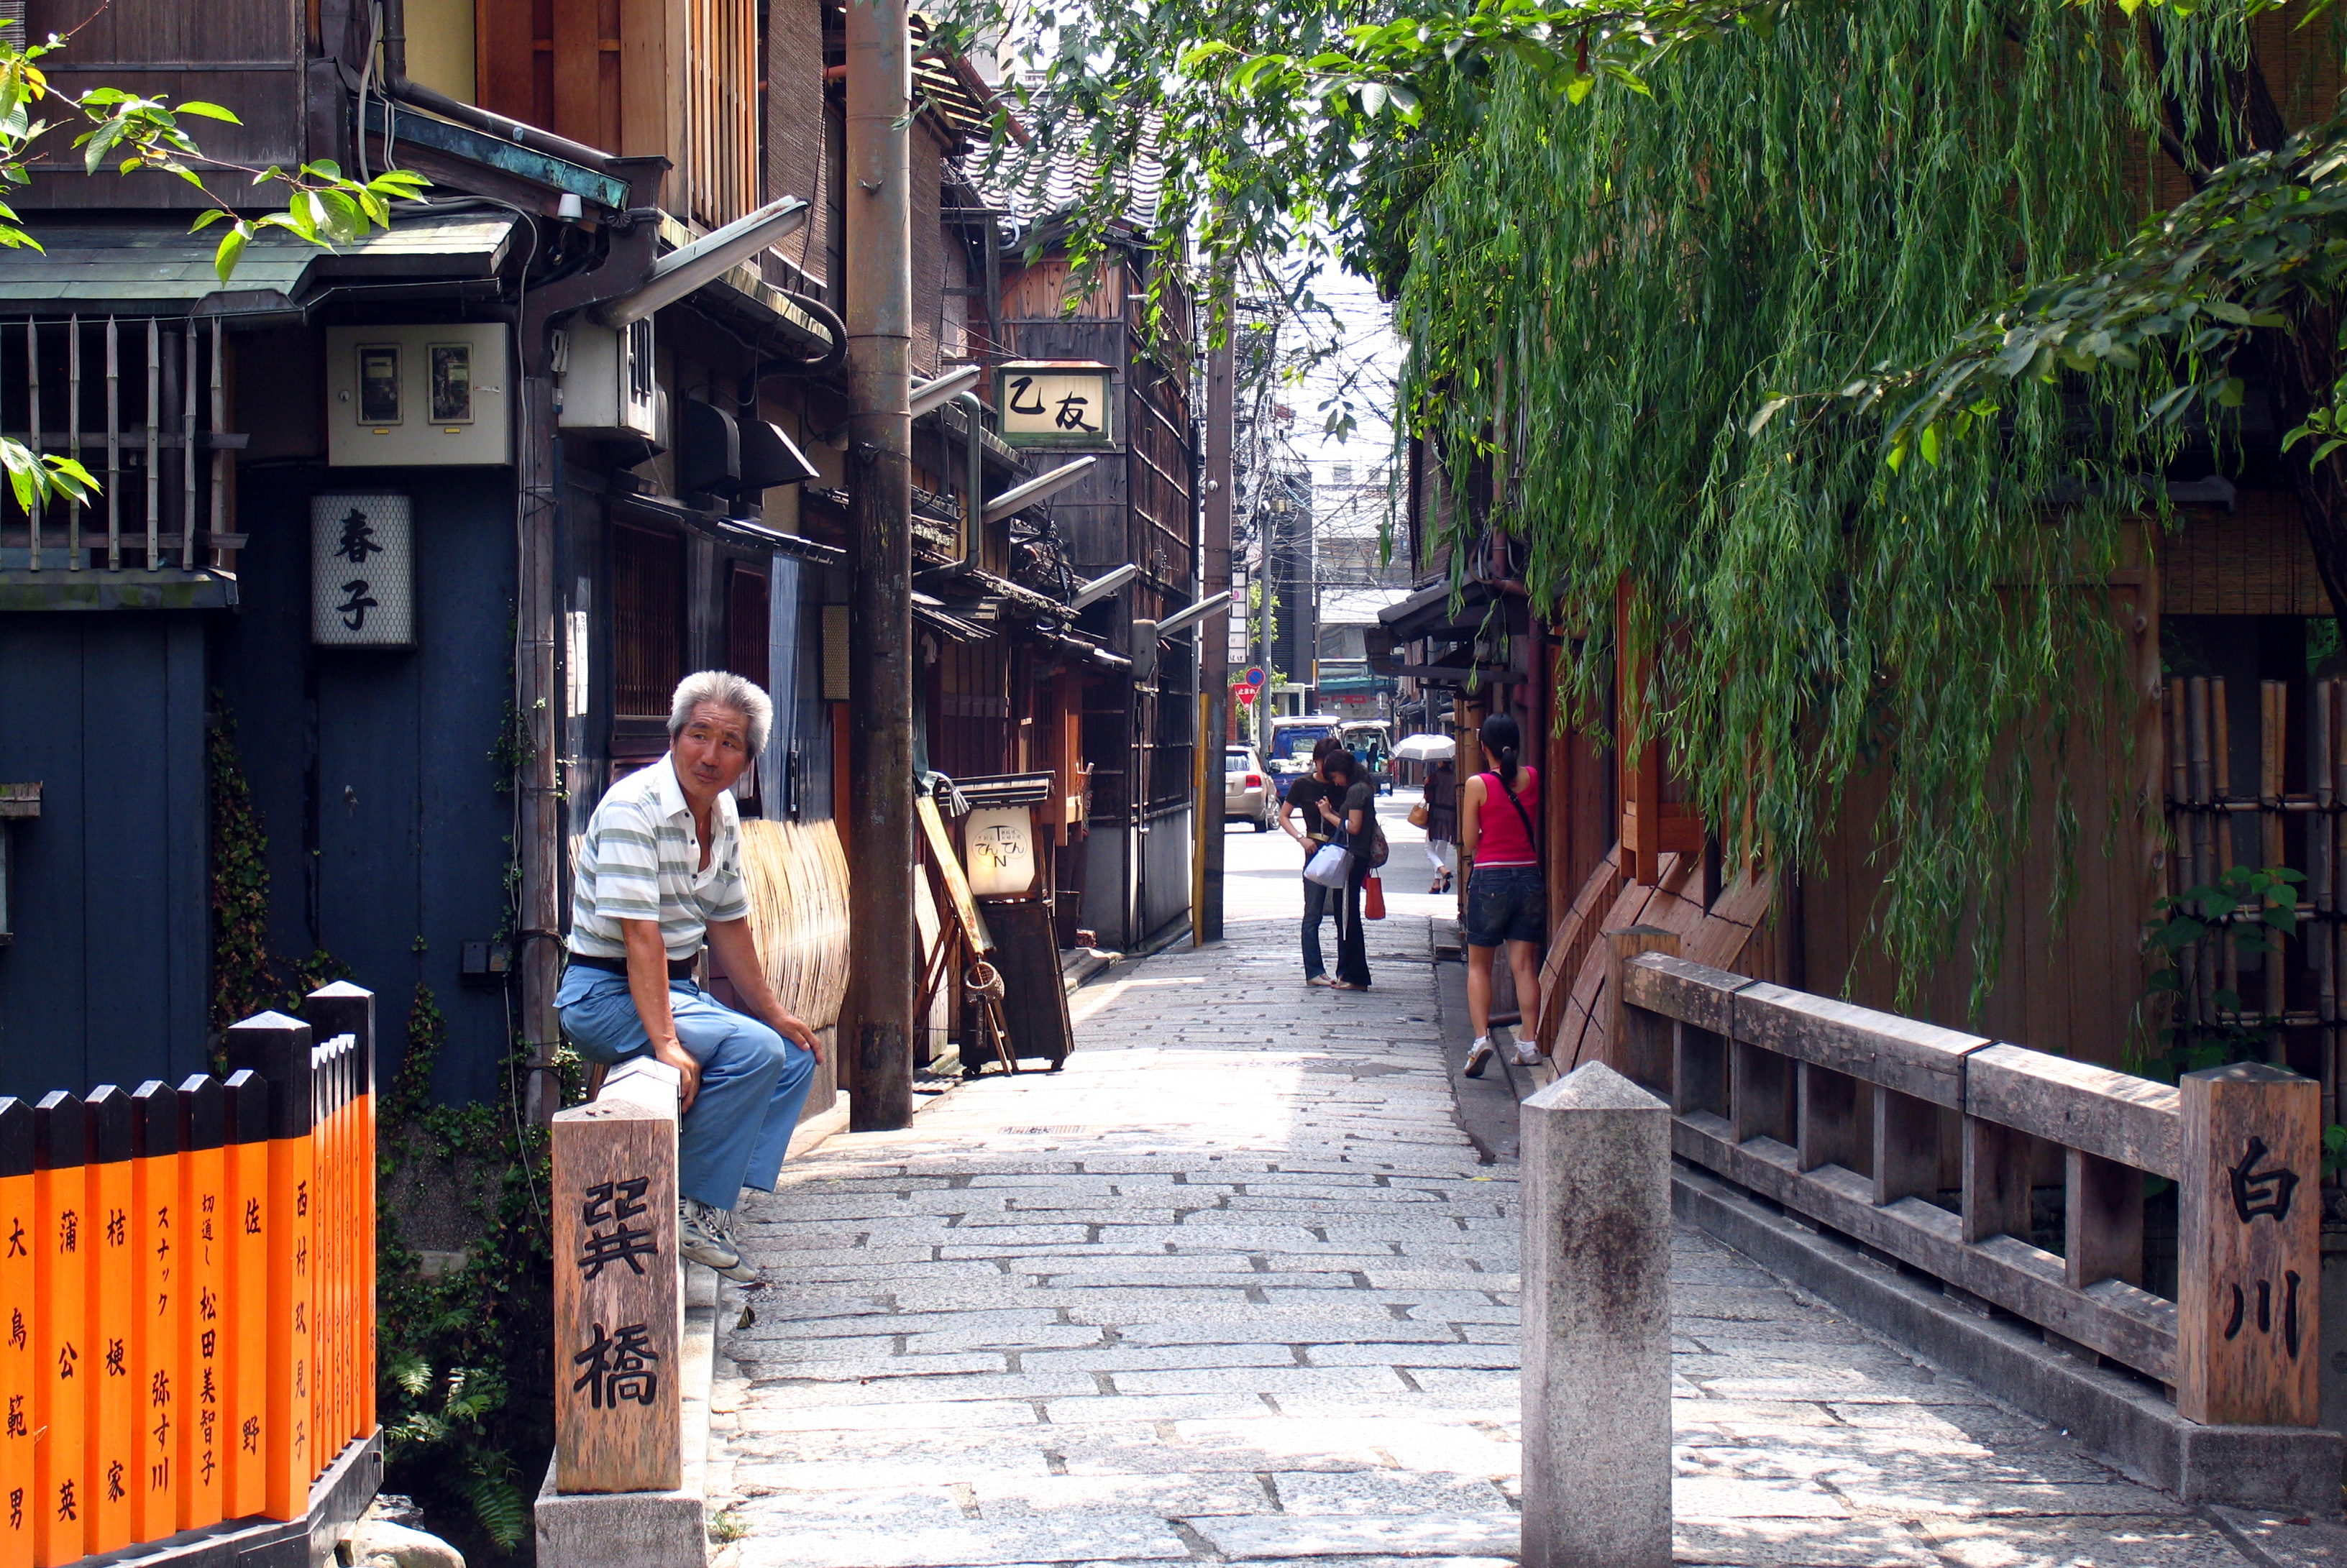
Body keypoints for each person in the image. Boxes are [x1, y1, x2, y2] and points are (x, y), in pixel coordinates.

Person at [556, 670, 824, 1283]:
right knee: (755, 1051)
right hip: (603, 994)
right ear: (674, 737)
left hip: (673, 990)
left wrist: (776, 1011)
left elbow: (729, 923)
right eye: (698, 735)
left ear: (748, 758)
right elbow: (639, 938)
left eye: (729, 742)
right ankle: (689, 1207)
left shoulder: (722, 812)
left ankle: (711, 1205)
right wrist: (667, 1045)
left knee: (791, 1050)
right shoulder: (634, 807)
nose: (711, 755)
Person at [1459, 712, 1544, 1075]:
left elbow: (1469, 840)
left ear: (1483, 747)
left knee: (1480, 964)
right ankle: (1529, 1043)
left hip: (1490, 878)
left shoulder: (1478, 784)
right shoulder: (1533, 778)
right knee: (1524, 965)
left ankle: (1481, 1039)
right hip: (1528, 876)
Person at [1281, 737, 1347, 986]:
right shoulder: (1303, 784)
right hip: (1314, 850)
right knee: (1313, 913)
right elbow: (1283, 816)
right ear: (1316, 760)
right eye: (1322, 763)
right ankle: (1314, 971)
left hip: (1341, 850)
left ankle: (1344, 971)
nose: (1326, 770)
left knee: (1344, 914)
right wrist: (1301, 838)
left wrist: (1331, 813)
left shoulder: (1343, 784)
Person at [1316, 748, 1376, 991]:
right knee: (1346, 915)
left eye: (1335, 776)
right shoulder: (1361, 787)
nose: (1335, 782)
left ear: (1342, 771)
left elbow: (1354, 827)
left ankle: (1355, 975)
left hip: (1354, 856)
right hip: (1356, 857)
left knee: (1348, 916)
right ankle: (1349, 973)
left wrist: (1327, 814)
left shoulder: (1356, 790)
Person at [1422, 758, 1458, 894]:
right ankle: (1436, 882)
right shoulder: (1456, 777)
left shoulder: (1434, 777)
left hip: (1436, 814)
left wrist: (1427, 786)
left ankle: (1442, 870)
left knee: (1429, 848)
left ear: (1440, 762)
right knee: (1441, 848)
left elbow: (1429, 798)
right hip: (1451, 815)